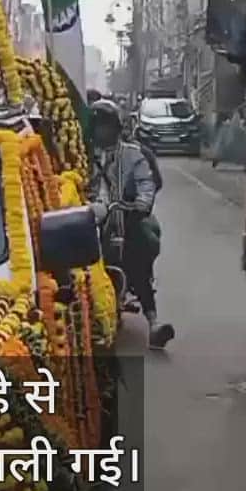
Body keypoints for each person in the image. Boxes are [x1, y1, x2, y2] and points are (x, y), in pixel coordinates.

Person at [88, 99, 175, 350]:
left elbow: (149, 183)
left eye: (107, 126)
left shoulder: (135, 154)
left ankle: (154, 322)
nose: (102, 132)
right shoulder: (82, 153)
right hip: (89, 219)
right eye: (98, 126)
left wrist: (140, 204)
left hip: (126, 217)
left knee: (139, 253)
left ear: (117, 127)